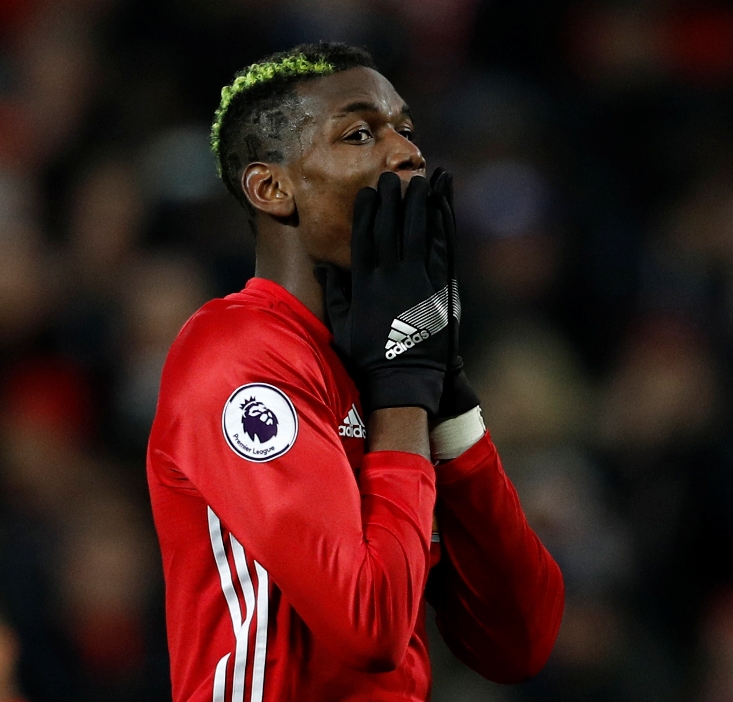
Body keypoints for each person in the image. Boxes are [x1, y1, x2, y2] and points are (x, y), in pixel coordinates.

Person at [147, 42, 564, 702]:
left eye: (406, 129)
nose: (406, 153)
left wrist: (445, 398)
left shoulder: (374, 362)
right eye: (362, 132)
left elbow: (519, 640)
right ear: (271, 188)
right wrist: (402, 395)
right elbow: (368, 627)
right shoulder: (235, 353)